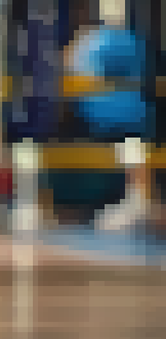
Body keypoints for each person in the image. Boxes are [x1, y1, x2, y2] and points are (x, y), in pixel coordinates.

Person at [67, 0, 151, 230]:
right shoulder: (97, 40)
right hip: (112, 116)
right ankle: (131, 203)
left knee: (131, 158)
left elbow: (82, 67)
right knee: (124, 160)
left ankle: (137, 203)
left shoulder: (111, 41)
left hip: (121, 116)